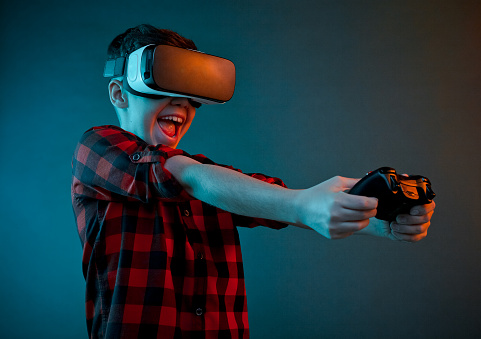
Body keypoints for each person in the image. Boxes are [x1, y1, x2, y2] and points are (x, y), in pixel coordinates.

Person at [71, 24, 435, 339]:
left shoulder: (213, 179)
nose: (182, 105)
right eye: (164, 85)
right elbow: (186, 177)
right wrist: (301, 205)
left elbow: (281, 203)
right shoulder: (97, 148)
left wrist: (378, 220)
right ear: (119, 93)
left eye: (191, 96)